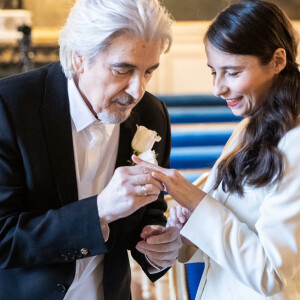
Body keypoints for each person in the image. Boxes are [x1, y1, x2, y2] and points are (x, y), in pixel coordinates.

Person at [0, 0, 182, 299]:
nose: (138, 91)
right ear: (79, 58)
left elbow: (150, 211)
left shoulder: (152, 115)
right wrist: (98, 212)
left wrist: (158, 245)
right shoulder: (10, 108)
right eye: (123, 70)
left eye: (149, 71)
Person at [133, 0, 300, 299]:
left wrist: (197, 202)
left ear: (277, 61)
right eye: (214, 72)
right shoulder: (249, 127)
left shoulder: (296, 143)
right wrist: (179, 237)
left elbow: (271, 275)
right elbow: (229, 237)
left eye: (232, 73)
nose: (217, 88)